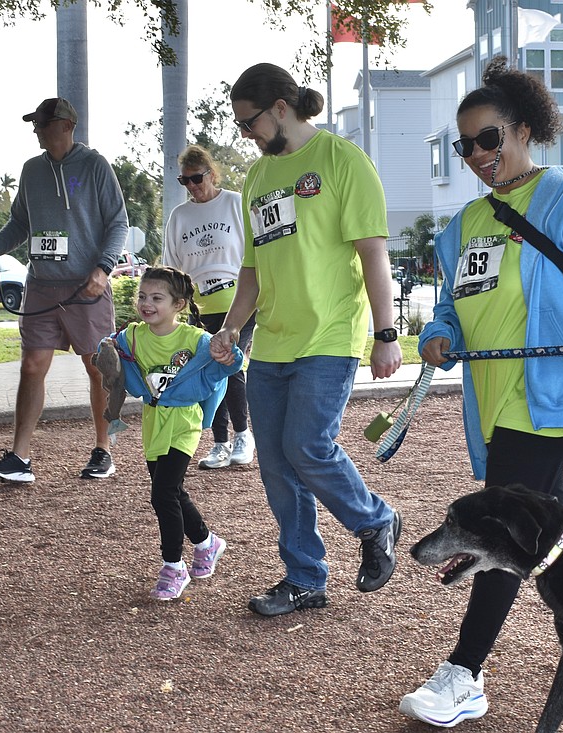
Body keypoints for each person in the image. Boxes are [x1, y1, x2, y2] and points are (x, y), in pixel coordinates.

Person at [399, 56, 563, 728]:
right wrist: (436, 334)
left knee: (500, 530)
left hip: (550, 396)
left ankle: (465, 671)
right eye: (466, 146)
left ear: (521, 130)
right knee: (556, 528)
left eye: (489, 139)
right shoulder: (461, 225)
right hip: (489, 401)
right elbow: (451, 309)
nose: (478, 155)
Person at [209, 63, 402, 617]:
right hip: (270, 342)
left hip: (330, 334)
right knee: (275, 463)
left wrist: (387, 333)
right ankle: (304, 577)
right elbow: (252, 267)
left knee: (307, 446)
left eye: (250, 123)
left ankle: (375, 520)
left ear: (279, 108)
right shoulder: (257, 178)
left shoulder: (343, 161)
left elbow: (373, 254)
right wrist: (231, 328)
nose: (246, 134)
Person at [0, 98, 129, 485]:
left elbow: (118, 222)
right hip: (41, 287)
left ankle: (103, 451)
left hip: (86, 287)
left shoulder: (95, 166)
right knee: (31, 367)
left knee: (98, 371)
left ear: (66, 125)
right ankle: (20, 459)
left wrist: (104, 268)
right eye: (34, 123)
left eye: (42, 123)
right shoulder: (31, 171)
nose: (36, 129)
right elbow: (19, 224)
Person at [109, 267, 243, 600]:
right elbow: (111, 351)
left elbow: (229, 364)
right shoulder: (134, 336)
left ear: (178, 304)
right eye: (142, 296)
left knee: (162, 494)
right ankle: (207, 542)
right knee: (172, 491)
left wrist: (227, 351)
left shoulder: (195, 340)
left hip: (184, 422)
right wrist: (106, 358)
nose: (146, 303)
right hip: (154, 422)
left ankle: (173, 567)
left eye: (156, 298)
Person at [161, 143, 255, 470]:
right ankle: (220, 442)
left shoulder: (235, 204)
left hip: (238, 301)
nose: (192, 187)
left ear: (212, 174)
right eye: (184, 181)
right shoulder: (179, 216)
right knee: (207, 371)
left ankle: (243, 435)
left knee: (228, 363)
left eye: (197, 179)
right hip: (199, 305)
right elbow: (171, 268)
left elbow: (254, 255)